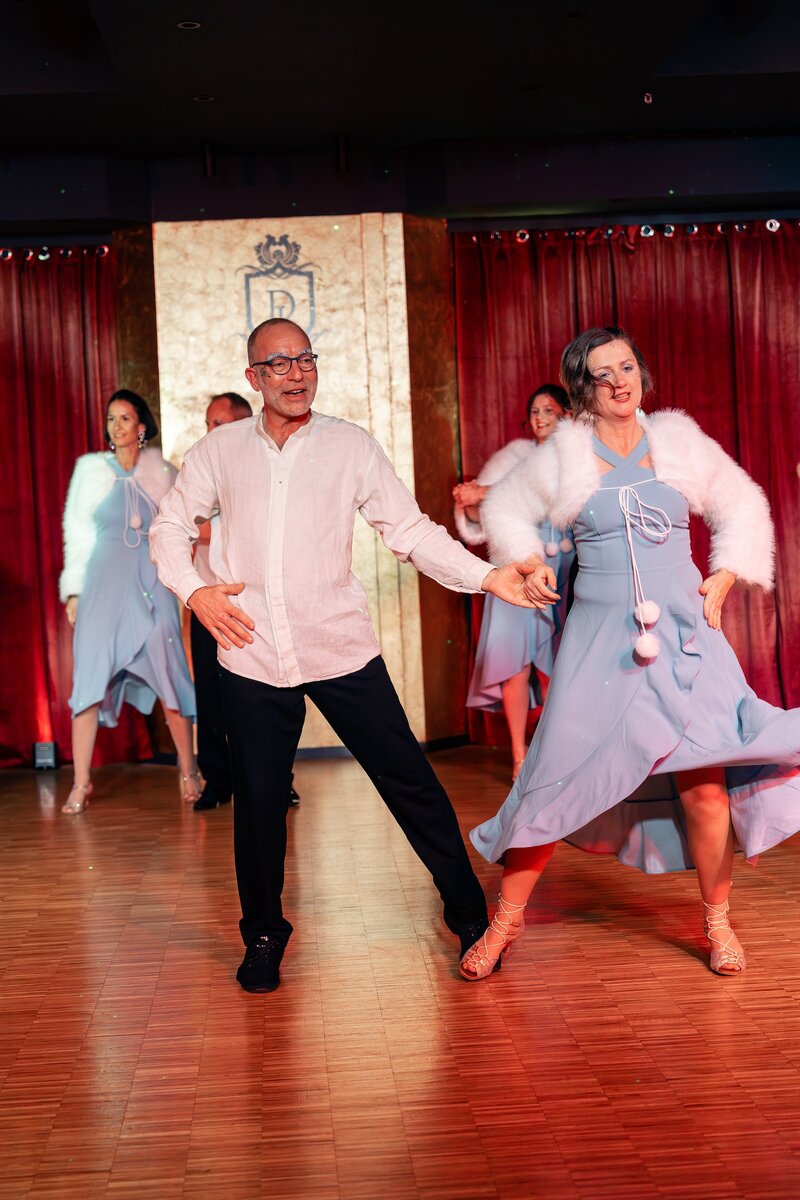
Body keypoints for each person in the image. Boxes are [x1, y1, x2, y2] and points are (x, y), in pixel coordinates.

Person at [149, 317, 537, 993]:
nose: (295, 374)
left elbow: (410, 530)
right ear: (253, 377)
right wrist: (196, 592)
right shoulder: (219, 450)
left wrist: (485, 575)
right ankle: (263, 936)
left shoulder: (350, 445)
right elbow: (168, 527)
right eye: (278, 364)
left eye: (305, 359)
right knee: (259, 804)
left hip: (338, 645)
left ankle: (470, 915)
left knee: (410, 783)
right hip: (251, 650)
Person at [461, 326, 800, 981]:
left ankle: (718, 922)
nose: (620, 382)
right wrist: (526, 560)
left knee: (705, 791)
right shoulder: (565, 453)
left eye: (627, 367)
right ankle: (505, 922)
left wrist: (727, 573)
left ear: (641, 373)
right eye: (603, 373)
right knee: (552, 780)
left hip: (685, 637)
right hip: (599, 643)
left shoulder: (678, 440)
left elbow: (743, 505)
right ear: (582, 388)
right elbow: (504, 508)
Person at [60, 389, 197, 814]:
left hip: (152, 584)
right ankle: (81, 782)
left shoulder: (162, 472)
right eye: (110, 418)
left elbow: (180, 532)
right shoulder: (89, 471)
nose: (115, 427)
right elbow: (76, 533)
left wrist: (184, 583)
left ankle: (189, 770)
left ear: (141, 426)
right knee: (89, 676)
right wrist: (74, 591)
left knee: (170, 672)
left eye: (124, 418)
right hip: (101, 586)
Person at [453, 385, 574, 777]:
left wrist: (482, 490)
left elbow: (545, 488)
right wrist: (470, 501)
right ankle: (520, 759)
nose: (540, 418)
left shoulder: (576, 456)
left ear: (567, 414)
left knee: (559, 665)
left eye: (549, 410)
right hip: (516, 571)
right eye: (534, 411)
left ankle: (555, 754)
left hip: (563, 573)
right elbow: (483, 519)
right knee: (513, 664)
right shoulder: (512, 459)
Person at [188, 391, 300, 812]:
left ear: (241, 421)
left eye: (217, 423)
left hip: (253, 604)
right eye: (207, 424)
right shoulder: (203, 465)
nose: (210, 431)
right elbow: (183, 523)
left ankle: (279, 782)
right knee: (210, 695)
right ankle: (217, 780)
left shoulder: (264, 466)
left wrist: (202, 527)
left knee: (269, 699)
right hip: (207, 600)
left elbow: (245, 528)